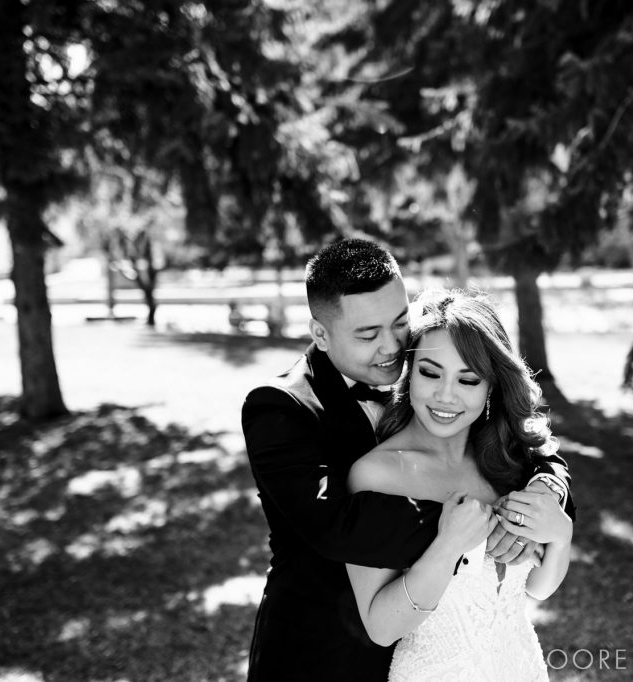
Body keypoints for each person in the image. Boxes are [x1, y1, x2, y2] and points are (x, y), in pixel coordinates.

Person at [241, 239, 575, 681]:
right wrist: (485, 521)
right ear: (320, 333)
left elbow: (537, 457)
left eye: (400, 323)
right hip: (322, 655)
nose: (391, 347)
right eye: (367, 334)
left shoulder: (436, 375)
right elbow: (336, 527)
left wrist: (547, 496)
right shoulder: (280, 409)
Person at [345, 289, 573, 681]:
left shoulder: (508, 464)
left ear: (491, 386)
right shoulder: (377, 475)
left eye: (468, 380)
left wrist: (561, 535)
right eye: (430, 373)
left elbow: (535, 588)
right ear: (408, 372)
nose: (445, 396)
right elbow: (380, 626)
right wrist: (448, 545)